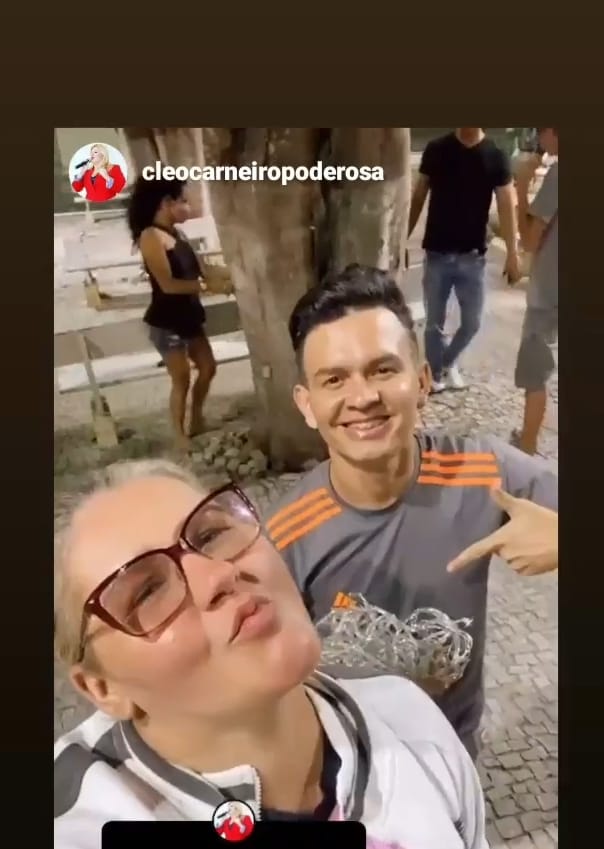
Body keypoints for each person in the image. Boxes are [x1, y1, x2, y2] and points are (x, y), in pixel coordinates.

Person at [54, 459, 488, 849]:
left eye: (211, 534)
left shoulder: (409, 722)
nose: (219, 574)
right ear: (102, 688)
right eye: (147, 592)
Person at [264, 265, 558, 761]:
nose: (363, 398)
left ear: (421, 381)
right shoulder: (282, 540)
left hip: (455, 754)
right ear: (307, 404)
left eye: (383, 370)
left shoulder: (481, 471)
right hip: (349, 766)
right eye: (334, 379)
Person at [408, 127, 521, 392]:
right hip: (437, 252)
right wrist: (403, 239)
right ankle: (435, 375)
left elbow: (506, 205)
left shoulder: (495, 156)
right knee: (434, 323)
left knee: (472, 323)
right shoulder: (437, 150)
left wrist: (513, 253)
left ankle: (446, 363)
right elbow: (418, 196)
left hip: (472, 256)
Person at [127, 176, 216, 454]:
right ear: (166, 203)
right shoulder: (150, 236)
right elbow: (167, 285)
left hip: (189, 315)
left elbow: (204, 270)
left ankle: (197, 419)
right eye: (183, 201)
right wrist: (208, 287)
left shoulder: (178, 234)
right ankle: (179, 435)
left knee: (208, 368)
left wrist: (230, 275)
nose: (187, 207)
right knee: (181, 378)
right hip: (166, 320)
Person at [511, 129, 558, 455]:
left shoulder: (558, 175)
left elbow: (529, 239)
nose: (539, 140)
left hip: (550, 293)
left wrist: (522, 186)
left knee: (535, 370)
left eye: (542, 131)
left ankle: (526, 446)